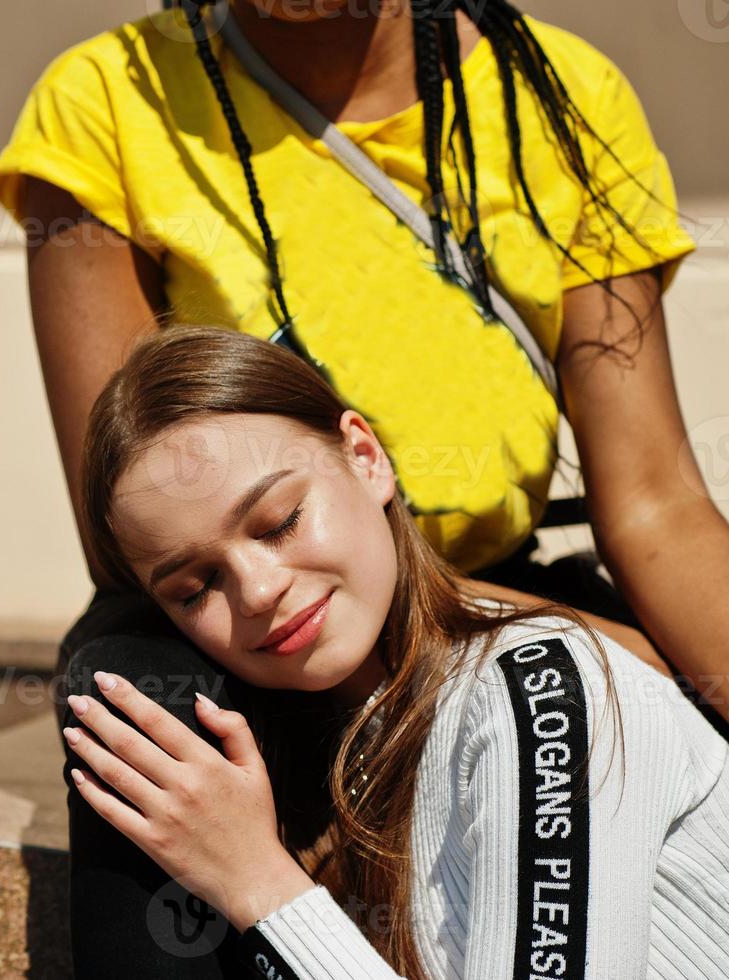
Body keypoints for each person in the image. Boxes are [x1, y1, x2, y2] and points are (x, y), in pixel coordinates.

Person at [0, 0, 729, 705]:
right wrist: (581, 645)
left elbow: (653, 503)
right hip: (246, 627)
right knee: (149, 708)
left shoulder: (564, 92)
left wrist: (667, 687)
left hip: (492, 591)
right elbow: (125, 527)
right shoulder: (106, 102)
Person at [60, 324, 729, 977]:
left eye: (278, 521)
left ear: (364, 457)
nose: (258, 591)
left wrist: (256, 884)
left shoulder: (537, 689)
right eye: (195, 586)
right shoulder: (320, 766)